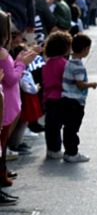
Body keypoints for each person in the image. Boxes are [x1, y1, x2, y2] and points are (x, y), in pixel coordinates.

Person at [0, 12, 37, 203]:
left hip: (8, 104)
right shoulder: (2, 52)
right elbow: (11, 78)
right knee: (1, 146)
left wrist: (18, 62)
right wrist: (22, 64)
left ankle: (2, 176)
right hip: (6, 106)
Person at [60, 33, 97, 163]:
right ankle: (72, 153)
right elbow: (80, 84)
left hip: (65, 99)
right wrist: (91, 85)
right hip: (75, 102)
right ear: (85, 49)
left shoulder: (69, 62)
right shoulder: (78, 66)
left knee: (68, 128)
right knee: (73, 128)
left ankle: (67, 152)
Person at [41, 31, 72, 159]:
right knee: (59, 125)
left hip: (48, 97)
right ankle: (56, 149)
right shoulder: (64, 63)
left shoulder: (47, 63)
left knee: (51, 125)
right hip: (61, 97)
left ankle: (51, 149)